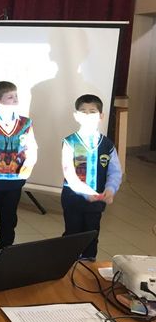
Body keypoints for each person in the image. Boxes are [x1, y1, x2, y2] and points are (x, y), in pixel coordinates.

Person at [0, 81, 38, 252]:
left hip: (15, 181)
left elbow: (32, 148)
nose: (15, 100)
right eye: (10, 97)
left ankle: (6, 248)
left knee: (9, 218)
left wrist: (25, 171)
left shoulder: (25, 123)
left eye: (16, 96)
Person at [61, 94, 122, 261]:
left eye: (92, 112)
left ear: (101, 116)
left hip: (97, 200)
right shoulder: (70, 142)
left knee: (92, 234)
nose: (88, 115)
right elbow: (70, 174)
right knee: (72, 234)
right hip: (73, 198)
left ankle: (88, 263)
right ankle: (67, 262)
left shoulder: (107, 145)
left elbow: (115, 172)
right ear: (76, 116)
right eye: (83, 112)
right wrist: (85, 192)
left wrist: (110, 189)